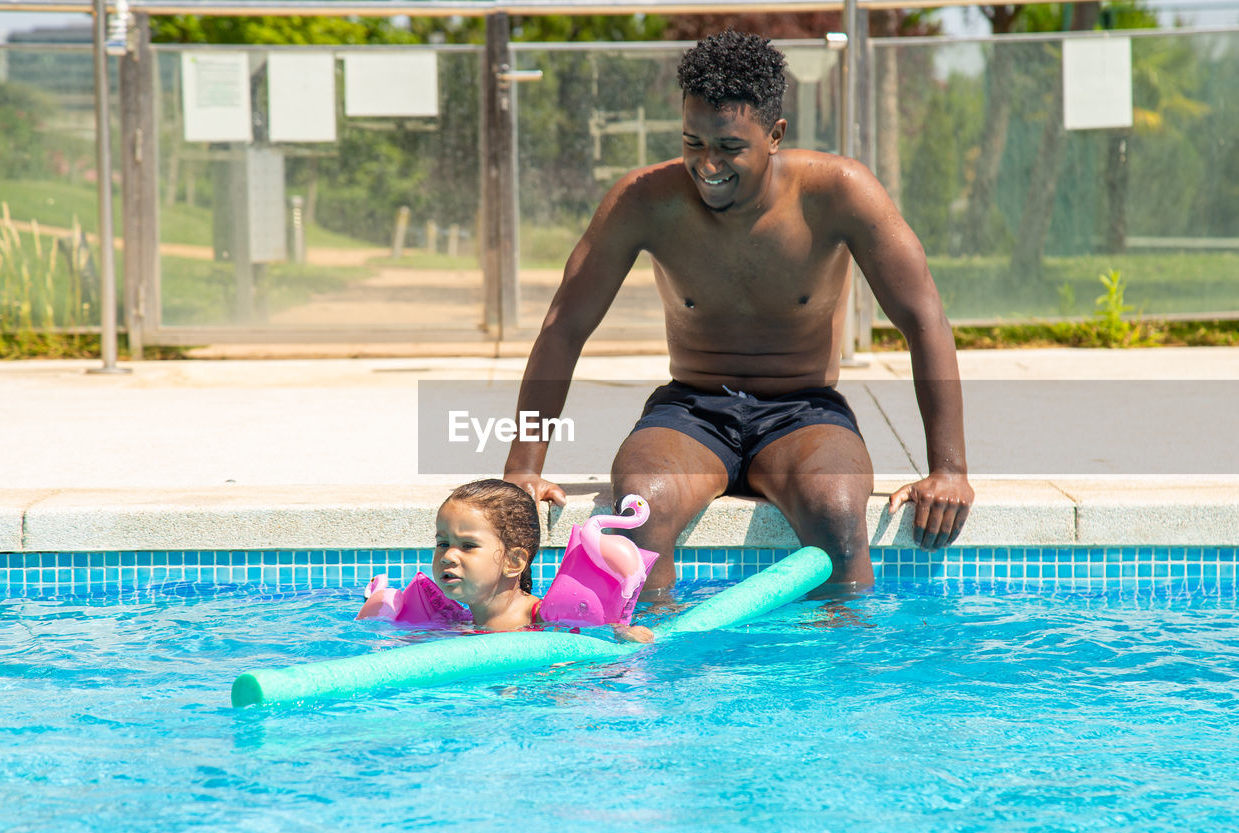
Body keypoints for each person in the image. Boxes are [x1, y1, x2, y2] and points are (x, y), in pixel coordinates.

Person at [503, 30, 973, 592]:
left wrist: (949, 470)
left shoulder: (839, 191)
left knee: (839, 512)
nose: (707, 164)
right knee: (640, 512)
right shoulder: (646, 200)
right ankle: (657, 670)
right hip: (692, 412)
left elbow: (924, 318)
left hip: (805, 413)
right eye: (692, 142)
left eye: (728, 147)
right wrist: (523, 469)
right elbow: (564, 327)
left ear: (775, 135)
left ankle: (843, 671)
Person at [358, 479, 654, 641]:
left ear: (513, 562)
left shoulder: (544, 620)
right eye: (442, 543)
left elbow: (610, 640)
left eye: (468, 545)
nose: (448, 555)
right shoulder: (453, 622)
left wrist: (622, 634)